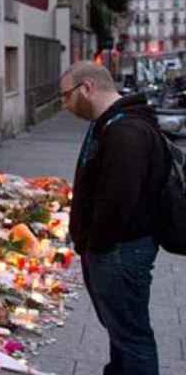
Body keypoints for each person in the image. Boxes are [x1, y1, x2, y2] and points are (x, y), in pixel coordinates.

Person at [61, 61, 167, 375]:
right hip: (116, 251)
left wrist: (95, 243)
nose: (65, 106)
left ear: (87, 88)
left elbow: (117, 203)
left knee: (133, 337)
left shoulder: (126, 131)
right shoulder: (112, 122)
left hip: (120, 252)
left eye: (66, 96)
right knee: (122, 332)